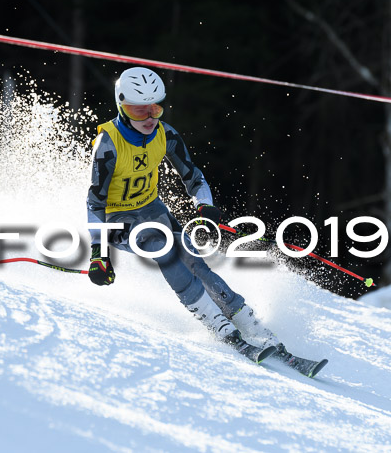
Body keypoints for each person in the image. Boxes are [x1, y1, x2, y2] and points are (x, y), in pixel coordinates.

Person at [86, 66, 289, 364]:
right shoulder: (108, 143)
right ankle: (215, 322)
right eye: (139, 111)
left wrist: (204, 205)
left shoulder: (165, 134)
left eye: (155, 108)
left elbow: (193, 177)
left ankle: (246, 320)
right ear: (122, 106)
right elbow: (94, 202)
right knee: (162, 247)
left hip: (153, 211)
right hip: (118, 220)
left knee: (193, 260)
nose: (149, 118)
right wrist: (98, 252)